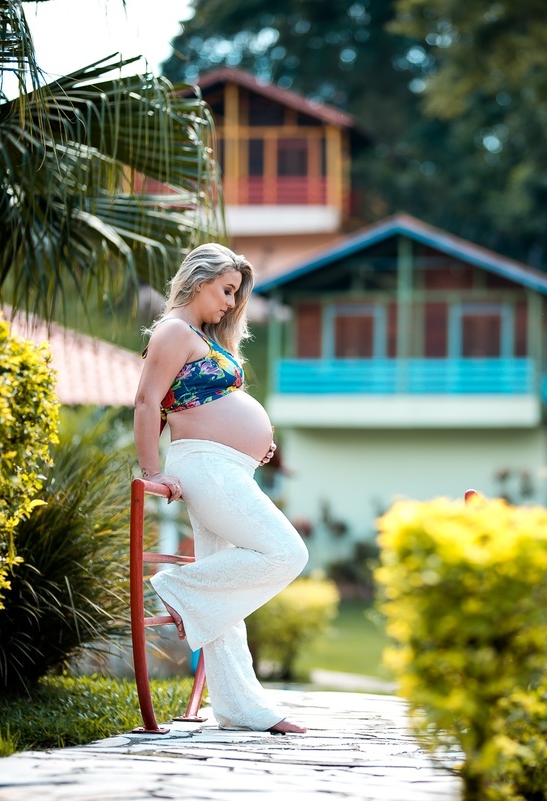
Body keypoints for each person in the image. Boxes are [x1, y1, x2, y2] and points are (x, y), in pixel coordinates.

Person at [133, 243, 309, 734]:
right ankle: (177, 590)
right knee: (285, 553)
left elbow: (211, 407)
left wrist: (256, 444)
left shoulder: (202, 338)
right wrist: (152, 469)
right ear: (199, 280)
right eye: (226, 290)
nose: (230, 303)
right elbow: (147, 402)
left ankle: (240, 708)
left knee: (225, 597)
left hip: (228, 466)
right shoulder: (173, 330)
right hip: (204, 468)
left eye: (236, 294)